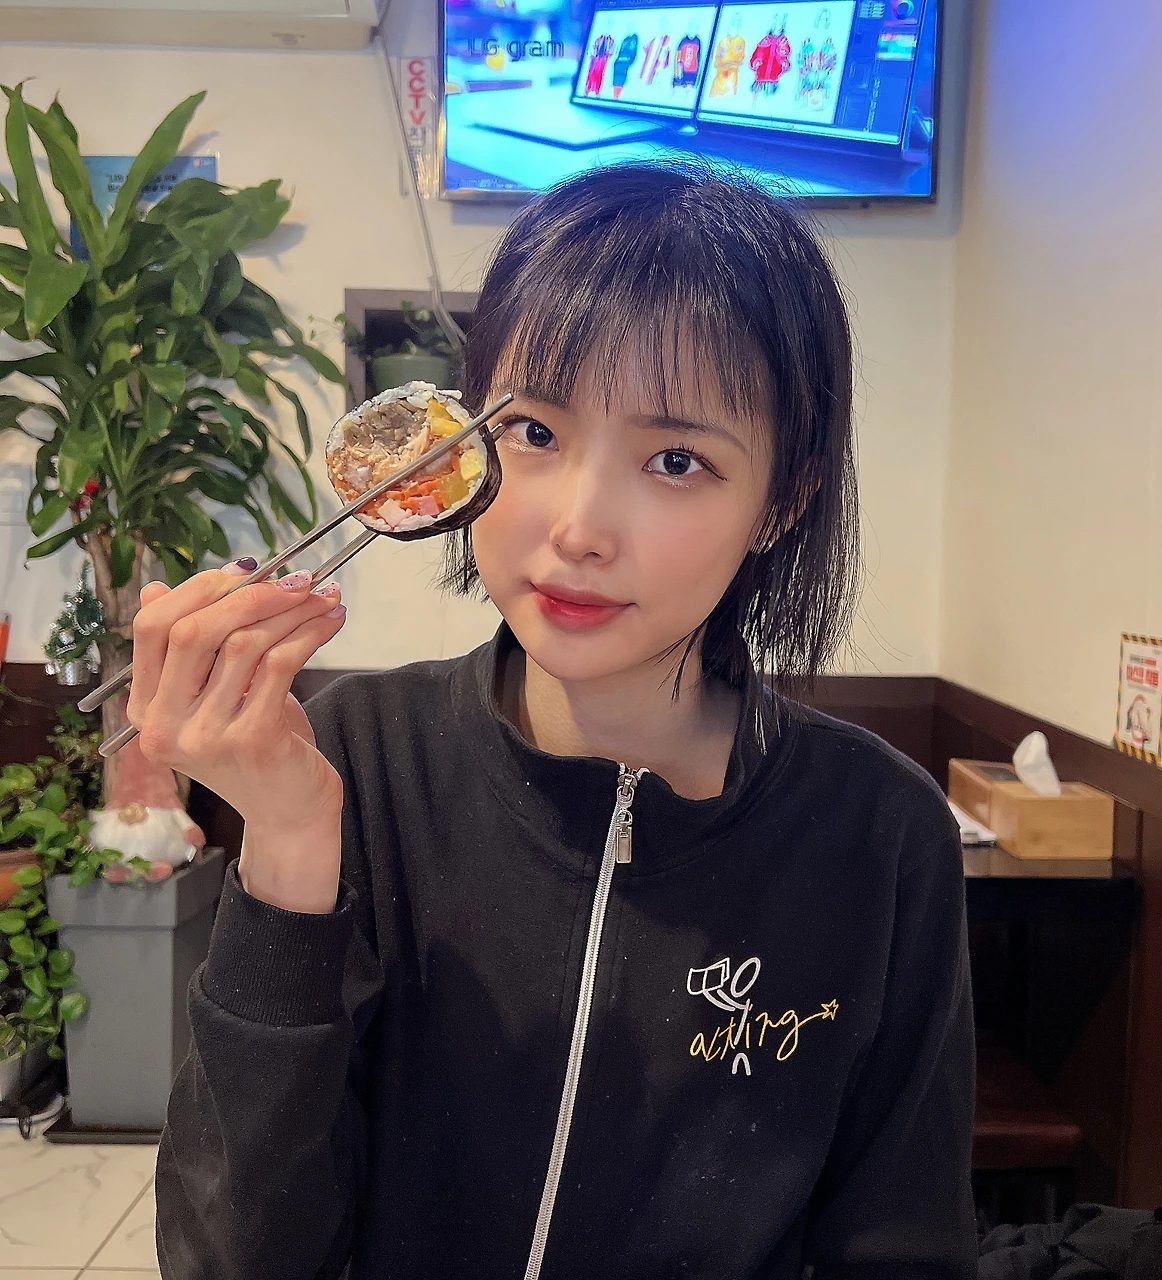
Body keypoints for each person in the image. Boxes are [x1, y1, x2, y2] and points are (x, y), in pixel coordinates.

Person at [147, 162, 976, 1279]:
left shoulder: (878, 833)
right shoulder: (357, 763)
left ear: (784, 499)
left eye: (676, 460)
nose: (579, 526)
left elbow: (902, 1245)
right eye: (534, 430)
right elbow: (236, 1257)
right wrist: (288, 848)